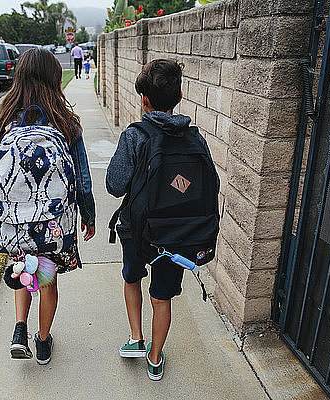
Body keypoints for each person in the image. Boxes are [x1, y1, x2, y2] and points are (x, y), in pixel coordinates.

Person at [106, 59, 215, 381]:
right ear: (179, 94)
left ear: (144, 99)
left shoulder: (135, 136)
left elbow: (114, 185)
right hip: (179, 234)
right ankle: (155, 358)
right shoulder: (195, 138)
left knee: (132, 277)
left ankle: (136, 338)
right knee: (163, 295)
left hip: (138, 230)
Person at [0, 48, 96, 365]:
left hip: (16, 221)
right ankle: (43, 341)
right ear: (54, 79)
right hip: (53, 222)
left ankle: (19, 329)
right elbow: (82, 179)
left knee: (22, 270)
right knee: (47, 280)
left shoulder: (3, 123)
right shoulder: (66, 123)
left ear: (19, 77)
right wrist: (87, 215)